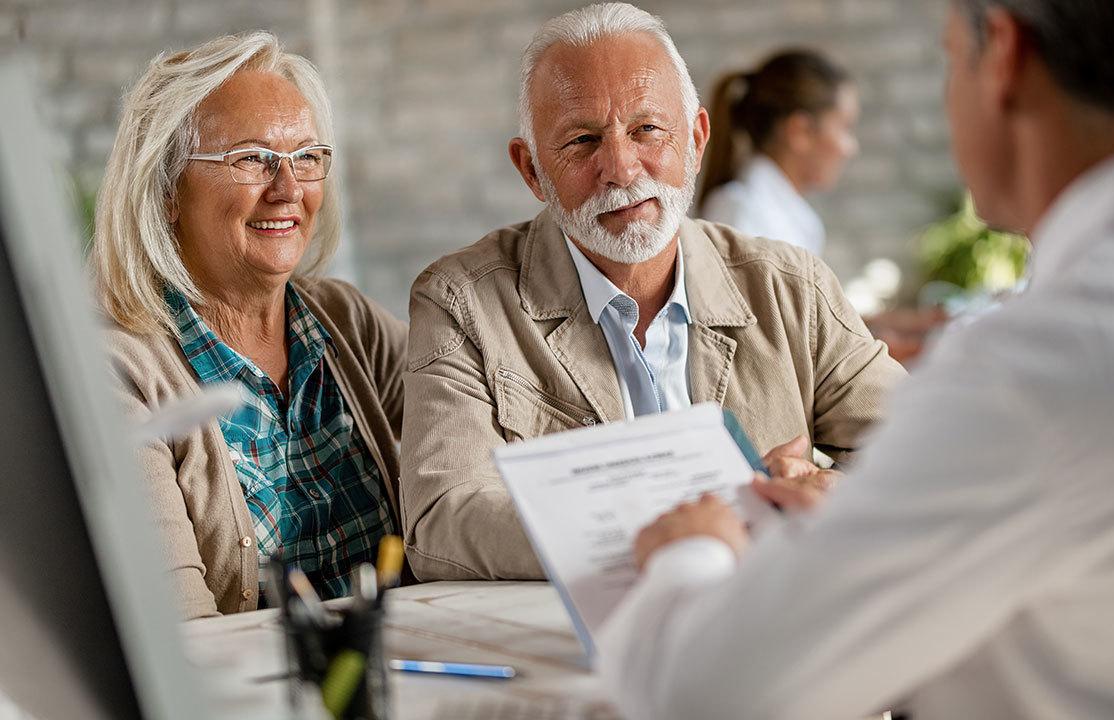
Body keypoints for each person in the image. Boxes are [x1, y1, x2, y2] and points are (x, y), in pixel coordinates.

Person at [599, 1, 1114, 718]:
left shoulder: (1035, 370)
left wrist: (692, 550)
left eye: (950, 56)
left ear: (1004, 56)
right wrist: (872, 515)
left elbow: (703, 693)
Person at [399, 3, 905, 582]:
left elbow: (924, 449)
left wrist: (829, 492)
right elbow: (441, 521)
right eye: (583, 140)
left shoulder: (792, 287)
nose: (620, 167)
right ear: (532, 170)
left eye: (647, 130)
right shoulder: (460, 303)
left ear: (696, 138)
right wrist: (665, 530)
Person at [94, 32, 408, 619]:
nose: (288, 189)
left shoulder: (347, 322)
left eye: (306, 158)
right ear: (166, 191)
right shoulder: (118, 374)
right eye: (252, 159)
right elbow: (183, 635)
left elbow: (478, 444)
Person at [697, 49, 859, 257]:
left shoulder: (789, 216)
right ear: (799, 132)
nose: (851, 148)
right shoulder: (740, 212)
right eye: (844, 128)